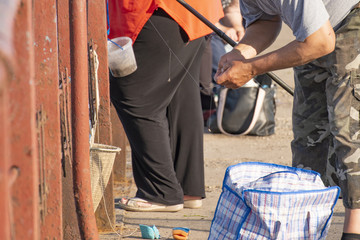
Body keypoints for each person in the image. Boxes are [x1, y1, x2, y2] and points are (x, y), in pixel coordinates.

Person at [214, 0, 360, 239]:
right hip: (310, 34)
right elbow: (266, 21)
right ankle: (306, 225)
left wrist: (251, 69)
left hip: (349, 22)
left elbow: (321, 42)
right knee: (307, 137)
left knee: (348, 134)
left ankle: (354, 230)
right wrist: (240, 54)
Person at [107, 0, 224, 212]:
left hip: (160, 10)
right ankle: (187, 188)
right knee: (181, 94)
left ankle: (161, 192)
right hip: (193, 10)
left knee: (133, 95)